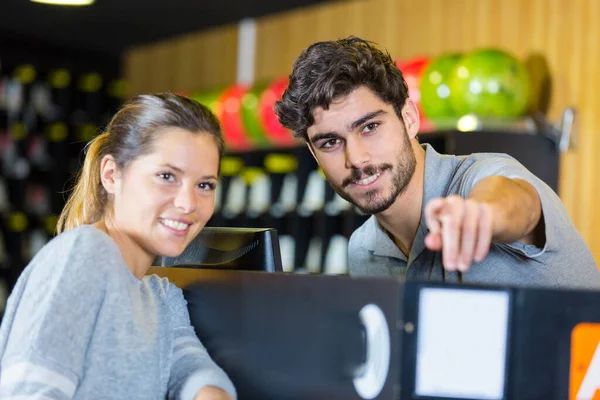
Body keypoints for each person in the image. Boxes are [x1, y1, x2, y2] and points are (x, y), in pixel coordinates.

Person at [275, 37, 600, 288]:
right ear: (315, 154)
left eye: (370, 127)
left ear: (409, 118)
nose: (356, 159)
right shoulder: (363, 250)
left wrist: (481, 215)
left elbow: (517, 203)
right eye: (330, 142)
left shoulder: (483, 177)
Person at [0, 93, 236, 399]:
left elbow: (192, 372)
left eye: (204, 185)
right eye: (167, 176)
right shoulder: (84, 253)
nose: (187, 203)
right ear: (111, 175)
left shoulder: (161, 299)